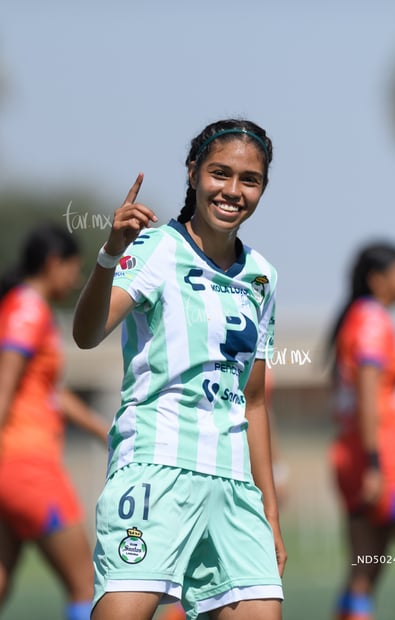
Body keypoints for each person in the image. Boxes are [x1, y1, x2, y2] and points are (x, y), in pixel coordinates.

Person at [73, 118, 287, 620]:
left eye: (249, 180)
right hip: (156, 469)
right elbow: (86, 335)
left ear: (262, 188)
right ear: (193, 174)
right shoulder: (154, 248)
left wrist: (270, 514)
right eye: (219, 174)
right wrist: (109, 254)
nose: (232, 191)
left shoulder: (263, 276)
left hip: (235, 487)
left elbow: (254, 400)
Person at [0, 223, 109, 620]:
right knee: (85, 581)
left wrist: (101, 430)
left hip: (12, 468)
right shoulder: (27, 309)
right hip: (27, 467)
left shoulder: (27, 309)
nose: (76, 278)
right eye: (72, 268)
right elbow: (4, 386)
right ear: (52, 264)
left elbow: (49, 391)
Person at [327, 242, 395, 620]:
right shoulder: (373, 320)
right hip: (380, 458)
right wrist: (377, 464)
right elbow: (367, 388)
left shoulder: (356, 318)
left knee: (364, 569)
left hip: (352, 454)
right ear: (378, 279)